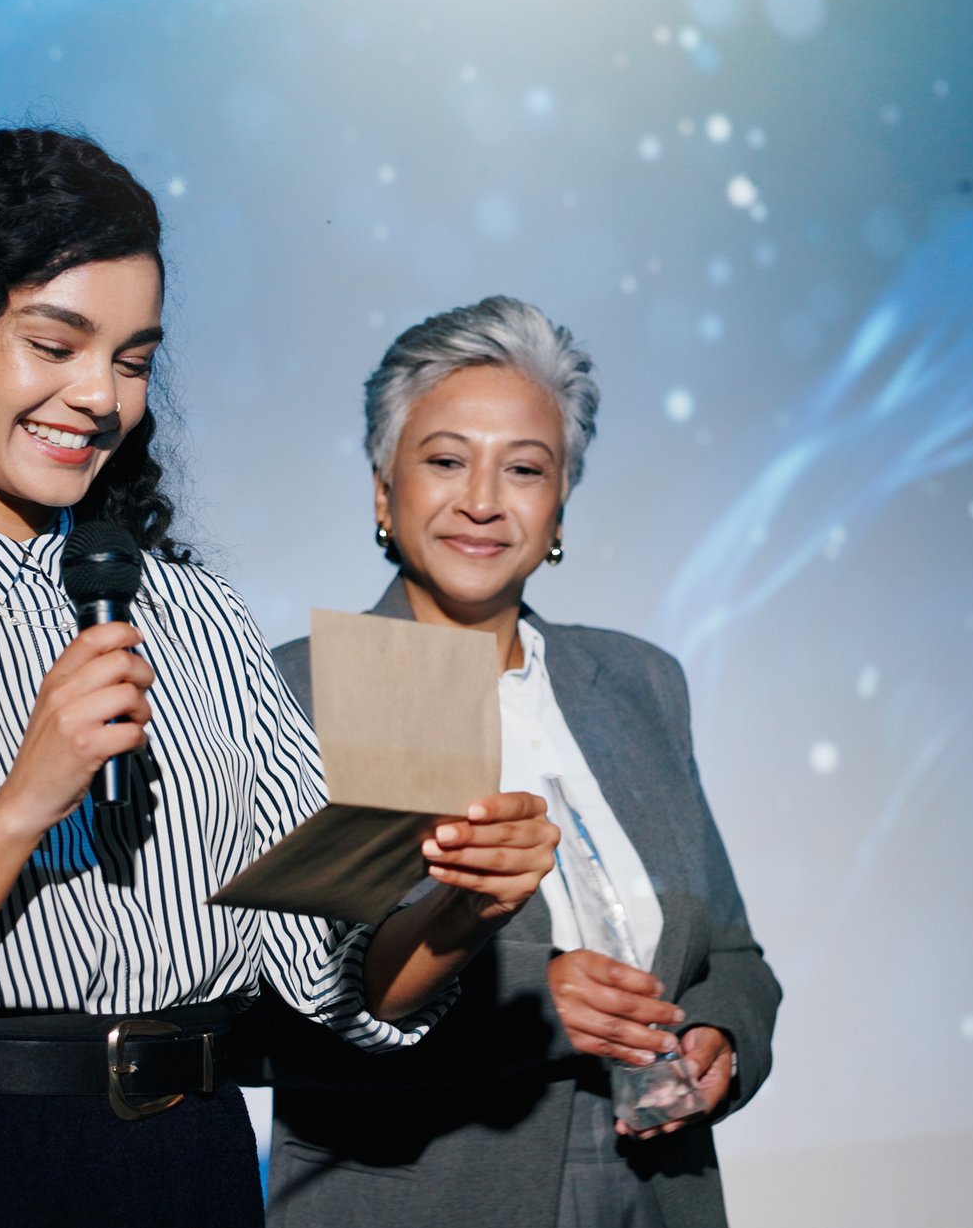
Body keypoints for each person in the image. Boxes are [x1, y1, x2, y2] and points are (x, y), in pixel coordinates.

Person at [0, 128, 558, 1228]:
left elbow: (334, 977)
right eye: (54, 343)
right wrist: (24, 800)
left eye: (132, 358)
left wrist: (462, 904)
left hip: (189, 1167)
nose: (99, 396)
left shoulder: (195, 617)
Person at [250, 297, 781, 1227]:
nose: (484, 500)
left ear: (561, 502)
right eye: (446, 460)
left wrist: (722, 1038)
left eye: (525, 469)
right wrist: (539, 994)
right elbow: (274, 1013)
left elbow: (732, 950)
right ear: (383, 490)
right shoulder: (299, 692)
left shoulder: (639, 681)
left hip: (657, 1193)